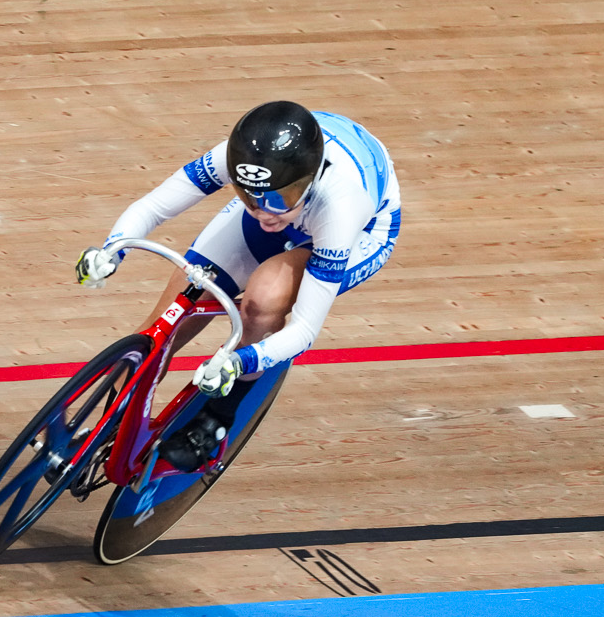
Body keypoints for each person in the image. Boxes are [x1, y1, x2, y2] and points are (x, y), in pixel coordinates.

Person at [74, 101, 401, 470]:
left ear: (307, 183)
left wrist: (240, 360)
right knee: (167, 319)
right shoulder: (242, 165)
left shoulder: (341, 206)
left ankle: (217, 419)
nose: (263, 213)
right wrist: (110, 252)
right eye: (248, 197)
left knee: (263, 300)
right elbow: (152, 208)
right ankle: (105, 421)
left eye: (279, 199)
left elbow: (306, 329)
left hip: (364, 232)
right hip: (301, 187)